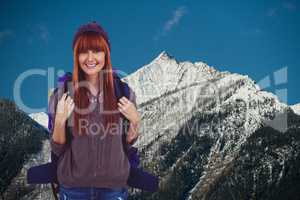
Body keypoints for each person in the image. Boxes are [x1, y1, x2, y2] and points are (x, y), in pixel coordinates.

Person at [50, 21, 140, 200]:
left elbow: (127, 143)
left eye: (97, 51)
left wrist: (135, 121)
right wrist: (60, 120)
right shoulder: (63, 94)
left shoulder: (123, 93)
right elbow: (58, 148)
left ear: (106, 54)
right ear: (76, 56)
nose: (90, 58)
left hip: (113, 190)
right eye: (84, 51)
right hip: (74, 189)